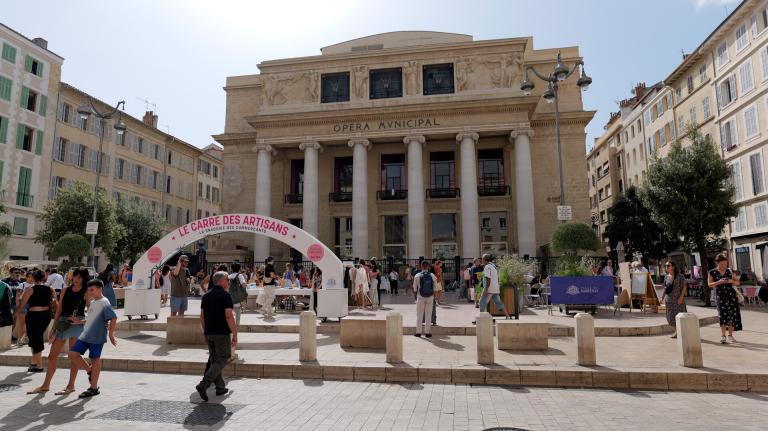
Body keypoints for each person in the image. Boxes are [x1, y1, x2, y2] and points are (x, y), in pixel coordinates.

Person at [27, 268, 89, 395]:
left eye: (79, 277)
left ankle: (71, 385)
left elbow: (92, 311)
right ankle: (45, 385)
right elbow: (59, 309)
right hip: (63, 323)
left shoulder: (86, 292)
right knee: (52, 356)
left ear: (84, 278)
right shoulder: (66, 290)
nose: (75, 279)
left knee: (74, 357)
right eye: (74, 277)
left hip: (77, 325)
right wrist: (53, 328)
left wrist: (81, 321)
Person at [68, 279, 118, 398]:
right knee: (72, 354)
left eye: (92, 290)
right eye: (89, 290)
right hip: (86, 335)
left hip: (97, 336)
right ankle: (90, 371)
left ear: (100, 289)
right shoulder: (94, 302)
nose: (90, 292)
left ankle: (93, 388)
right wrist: (80, 321)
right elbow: (92, 319)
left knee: (95, 359)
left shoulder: (104, 302)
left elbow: (114, 318)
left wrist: (111, 334)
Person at [196, 271, 238, 402]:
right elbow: (229, 316)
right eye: (228, 279)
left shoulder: (206, 296)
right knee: (223, 358)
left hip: (209, 332)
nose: (229, 282)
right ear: (221, 281)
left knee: (215, 360)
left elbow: (202, 316)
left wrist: (204, 332)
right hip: (221, 332)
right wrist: (235, 334)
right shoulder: (226, 296)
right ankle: (204, 384)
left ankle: (220, 387)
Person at [15, 270, 56, 372]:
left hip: (34, 316)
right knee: (35, 338)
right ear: (43, 278)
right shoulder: (50, 289)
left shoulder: (30, 290)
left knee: (36, 339)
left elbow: (22, 304)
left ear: (33, 278)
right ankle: (34, 362)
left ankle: (39, 366)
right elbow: (54, 301)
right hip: (46, 316)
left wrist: (13, 315)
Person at [708, 254, 742, 344]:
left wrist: (731, 281)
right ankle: (723, 336)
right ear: (717, 263)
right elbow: (709, 284)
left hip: (731, 297)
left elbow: (738, 282)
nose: (724, 266)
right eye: (722, 264)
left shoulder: (730, 271)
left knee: (731, 316)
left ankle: (730, 335)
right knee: (722, 316)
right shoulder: (712, 272)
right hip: (720, 297)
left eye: (725, 264)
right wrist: (719, 282)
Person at [475, 254, 510, 322]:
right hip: (495, 288)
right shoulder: (493, 266)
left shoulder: (487, 267)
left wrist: (486, 289)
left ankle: (481, 319)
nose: (481, 260)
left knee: (482, 302)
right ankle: (507, 316)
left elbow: (488, 279)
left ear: (485, 260)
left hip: (489, 288)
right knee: (498, 302)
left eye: (482, 259)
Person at [662, 261, 687, 339]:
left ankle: (679, 332)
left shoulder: (680, 276)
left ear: (673, 266)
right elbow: (665, 288)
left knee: (680, 316)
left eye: (668, 265)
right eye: (666, 266)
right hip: (669, 300)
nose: (667, 267)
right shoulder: (666, 276)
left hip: (678, 300)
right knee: (670, 317)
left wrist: (681, 298)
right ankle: (677, 331)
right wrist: (661, 297)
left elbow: (684, 287)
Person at [412, 260, 437, 338]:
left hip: (420, 297)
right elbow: (435, 288)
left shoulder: (417, 275)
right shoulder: (432, 275)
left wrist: (416, 297)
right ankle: (427, 333)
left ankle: (418, 332)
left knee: (419, 315)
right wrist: (434, 297)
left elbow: (414, 288)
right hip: (430, 297)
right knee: (428, 315)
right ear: (428, 266)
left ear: (421, 266)